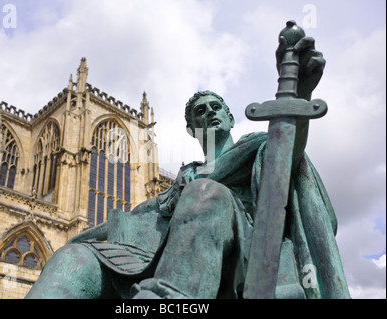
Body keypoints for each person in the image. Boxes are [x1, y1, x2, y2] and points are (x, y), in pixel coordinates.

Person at [25, 36, 350, 299]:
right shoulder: (179, 183)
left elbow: (287, 156)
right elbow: (141, 215)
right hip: (156, 253)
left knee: (206, 193)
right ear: (192, 130)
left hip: (238, 252)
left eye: (215, 107)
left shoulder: (256, 148)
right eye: (199, 111)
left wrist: (299, 97)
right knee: (72, 258)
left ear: (230, 117)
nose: (209, 112)